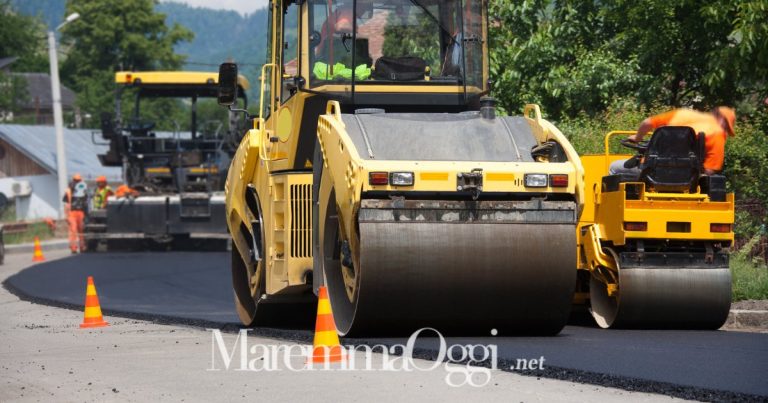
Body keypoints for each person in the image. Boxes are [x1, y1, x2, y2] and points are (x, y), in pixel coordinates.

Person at [611, 107, 736, 176]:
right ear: (722, 120)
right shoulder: (717, 134)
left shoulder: (683, 114)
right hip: (686, 178)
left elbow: (647, 122)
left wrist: (638, 138)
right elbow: (709, 170)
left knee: (613, 167)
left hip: (652, 171)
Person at [63, 173, 89, 253]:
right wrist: (66, 215)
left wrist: (87, 214)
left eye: (78, 181)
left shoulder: (84, 191)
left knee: (82, 230)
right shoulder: (69, 191)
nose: (77, 182)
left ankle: (82, 247)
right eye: (76, 181)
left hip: (81, 212)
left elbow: (86, 203)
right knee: (73, 230)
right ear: (73, 181)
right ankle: (73, 248)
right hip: (72, 212)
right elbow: (66, 203)